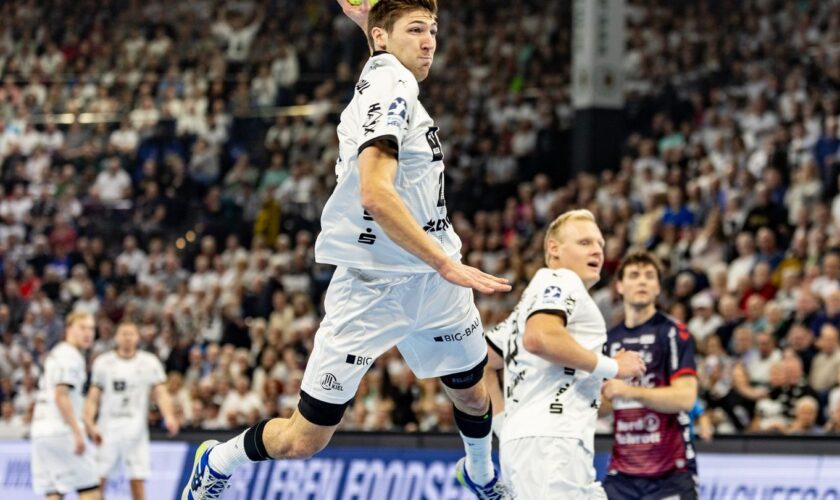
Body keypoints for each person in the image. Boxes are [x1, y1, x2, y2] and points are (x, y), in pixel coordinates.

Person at [181, 1, 512, 499]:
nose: (429, 42)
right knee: (302, 440)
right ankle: (218, 459)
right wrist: (446, 262)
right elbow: (376, 195)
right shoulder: (390, 85)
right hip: (374, 284)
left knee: (470, 386)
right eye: (417, 30)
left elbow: (385, 40)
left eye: (434, 30)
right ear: (383, 39)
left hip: (431, 280)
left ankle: (482, 476)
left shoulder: (389, 74)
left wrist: (375, 22)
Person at [484, 209, 646, 499]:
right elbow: (539, 338)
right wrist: (613, 366)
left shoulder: (528, 305)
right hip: (552, 446)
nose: (597, 249)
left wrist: (502, 426)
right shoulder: (560, 280)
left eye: (600, 244)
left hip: (544, 443)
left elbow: (481, 362)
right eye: (584, 242)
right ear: (554, 249)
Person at [600, 250, 699, 499]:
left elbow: (685, 398)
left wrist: (628, 390)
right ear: (620, 287)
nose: (642, 281)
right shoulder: (608, 340)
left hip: (671, 474)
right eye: (634, 275)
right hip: (622, 474)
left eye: (649, 276)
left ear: (657, 288)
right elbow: (599, 405)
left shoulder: (674, 333)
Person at [83, 321, 180, 500]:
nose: (127, 338)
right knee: (97, 478)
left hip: (135, 428)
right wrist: (89, 422)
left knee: (137, 479)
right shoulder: (103, 363)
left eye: (131, 334)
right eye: (123, 333)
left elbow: (161, 393)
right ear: (116, 337)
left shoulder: (149, 362)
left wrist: (169, 416)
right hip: (107, 427)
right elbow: (93, 397)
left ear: (137, 337)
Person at [30, 312, 102, 500]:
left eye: (91, 329)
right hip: (62, 431)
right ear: (69, 330)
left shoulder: (56, 353)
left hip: (41, 432)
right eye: (82, 328)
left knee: (54, 491)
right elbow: (61, 395)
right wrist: (78, 432)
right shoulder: (70, 356)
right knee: (90, 488)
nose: (88, 333)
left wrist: (88, 425)